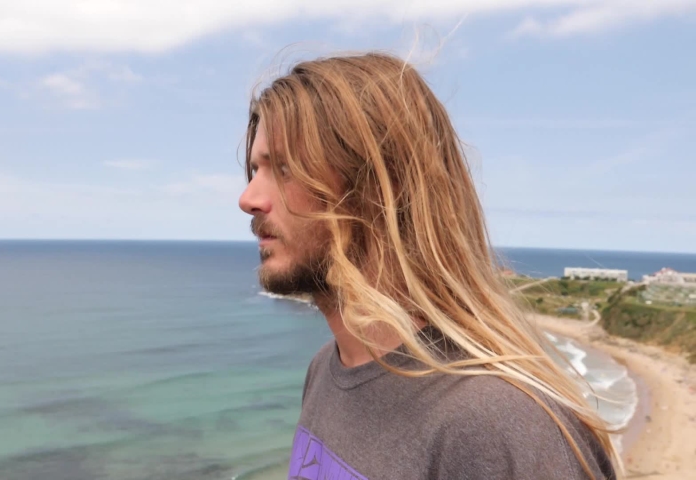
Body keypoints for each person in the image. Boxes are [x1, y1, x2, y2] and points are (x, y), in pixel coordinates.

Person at [238, 52, 619, 480]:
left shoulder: (499, 427)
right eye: (255, 169)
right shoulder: (327, 369)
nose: (248, 198)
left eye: (285, 167)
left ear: (383, 186)